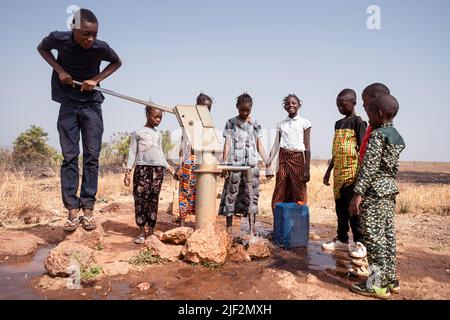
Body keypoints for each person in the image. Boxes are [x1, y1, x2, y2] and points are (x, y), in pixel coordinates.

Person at [37, 8, 122, 232]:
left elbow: (116, 62)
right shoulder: (59, 38)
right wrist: (60, 70)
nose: (90, 38)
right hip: (68, 105)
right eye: (85, 34)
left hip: (92, 105)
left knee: (92, 157)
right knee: (70, 157)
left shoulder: (100, 47)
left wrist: (96, 79)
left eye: (93, 34)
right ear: (74, 29)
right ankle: (72, 212)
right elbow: (42, 48)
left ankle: (88, 211)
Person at [349, 94, 405, 299]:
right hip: (389, 190)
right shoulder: (395, 134)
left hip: (375, 192)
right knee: (388, 236)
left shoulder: (378, 135)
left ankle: (376, 285)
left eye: (370, 113)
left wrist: (357, 194)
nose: (368, 118)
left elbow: (369, 168)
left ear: (379, 114)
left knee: (374, 239)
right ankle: (391, 280)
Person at [322, 89, 367, 259]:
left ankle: (360, 243)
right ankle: (341, 240)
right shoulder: (338, 124)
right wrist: (328, 171)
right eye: (337, 105)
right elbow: (336, 150)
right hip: (339, 174)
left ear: (353, 103)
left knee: (353, 210)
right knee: (340, 209)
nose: (340, 108)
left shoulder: (358, 122)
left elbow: (363, 150)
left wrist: (362, 176)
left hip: (352, 173)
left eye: (343, 104)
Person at [219, 93, 269, 235]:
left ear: (251, 108)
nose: (245, 113)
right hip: (234, 164)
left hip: (251, 166)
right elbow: (227, 144)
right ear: (237, 107)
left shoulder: (255, 124)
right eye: (242, 110)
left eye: (247, 110)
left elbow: (259, 145)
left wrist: (268, 162)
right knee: (231, 194)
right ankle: (228, 229)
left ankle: (252, 229)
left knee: (252, 196)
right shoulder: (231, 122)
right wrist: (224, 164)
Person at [124, 107, 175, 244]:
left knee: (153, 200)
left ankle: (151, 231)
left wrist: (171, 170)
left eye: (160, 118)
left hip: (158, 171)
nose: (158, 120)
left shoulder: (158, 135)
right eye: (155, 117)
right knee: (140, 199)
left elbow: (161, 155)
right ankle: (142, 231)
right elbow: (132, 153)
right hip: (141, 169)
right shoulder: (137, 132)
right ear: (147, 115)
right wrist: (128, 171)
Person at [267, 94, 311, 211]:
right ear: (285, 107)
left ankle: (298, 224)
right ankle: (279, 223)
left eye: (293, 103)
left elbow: (307, 147)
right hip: (283, 157)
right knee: (280, 188)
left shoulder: (305, 123)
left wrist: (307, 169)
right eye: (288, 103)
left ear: (299, 105)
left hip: (298, 158)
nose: (290, 105)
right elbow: (276, 144)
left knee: (299, 189)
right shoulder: (281, 124)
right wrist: (269, 161)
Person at [175, 93, 213, 226]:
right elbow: (182, 145)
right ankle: (182, 223)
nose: (205, 112)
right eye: (203, 108)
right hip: (188, 161)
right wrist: (179, 166)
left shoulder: (209, 126)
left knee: (201, 193)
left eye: (208, 109)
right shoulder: (188, 123)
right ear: (196, 108)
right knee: (184, 192)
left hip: (203, 161)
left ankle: (199, 223)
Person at [360, 83, 391, 162]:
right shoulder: (372, 125)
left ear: (376, 100)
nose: (363, 105)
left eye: (365, 101)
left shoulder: (384, 130)